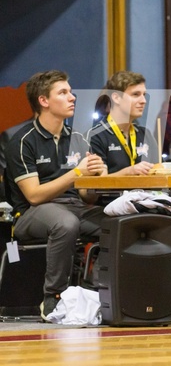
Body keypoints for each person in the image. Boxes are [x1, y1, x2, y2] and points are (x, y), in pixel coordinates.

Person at [87, 71, 171, 321]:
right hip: (110, 208)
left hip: (146, 203)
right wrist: (128, 172)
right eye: (135, 94)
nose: (143, 100)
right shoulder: (96, 134)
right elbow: (89, 190)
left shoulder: (146, 133)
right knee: (170, 222)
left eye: (144, 95)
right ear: (115, 98)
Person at [4, 70, 106, 321]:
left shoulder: (79, 138)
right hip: (30, 213)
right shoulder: (22, 140)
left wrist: (97, 177)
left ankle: (105, 294)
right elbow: (35, 196)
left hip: (74, 206)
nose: (72, 97)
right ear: (43, 101)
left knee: (119, 223)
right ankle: (53, 299)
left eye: (70, 92)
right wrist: (77, 173)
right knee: (65, 223)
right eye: (63, 92)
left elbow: (87, 197)